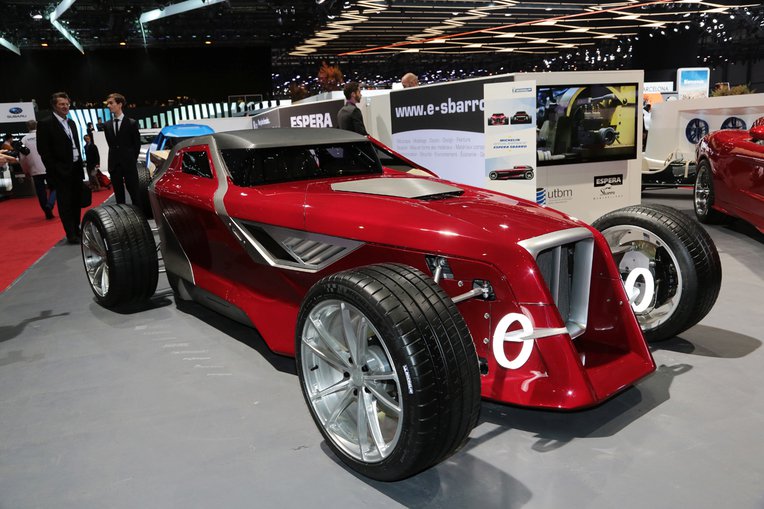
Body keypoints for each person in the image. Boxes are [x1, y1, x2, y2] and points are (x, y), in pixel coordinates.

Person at [37, 91, 84, 244]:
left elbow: (75, 145)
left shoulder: (72, 123)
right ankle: (71, 234)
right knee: (65, 203)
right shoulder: (45, 124)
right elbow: (44, 151)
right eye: (61, 104)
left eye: (67, 104)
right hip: (61, 171)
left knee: (76, 201)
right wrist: (55, 169)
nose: (65, 107)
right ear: (54, 106)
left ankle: (77, 229)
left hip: (76, 168)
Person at [104, 92, 141, 205]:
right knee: (119, 197)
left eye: (111, 103)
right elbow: (111, 145)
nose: (108, 106)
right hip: (114, 165)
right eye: (108, 103)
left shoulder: (131, 123)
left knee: (135, 194)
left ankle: (138, 214)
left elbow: (137, 145)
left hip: (129, 164)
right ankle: (121, 216)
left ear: (119, 104)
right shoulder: (107, 125)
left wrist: (131, 159)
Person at [20, 120, 56, 219]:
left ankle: (46, 210)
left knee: (41, 192)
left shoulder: (24, 140)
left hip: (34, 169)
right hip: (48, 167)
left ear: (28, 127)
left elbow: (22, 158)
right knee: (54, 187)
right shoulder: (45, 135)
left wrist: (25, 170)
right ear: (36, 125)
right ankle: (50, 204)